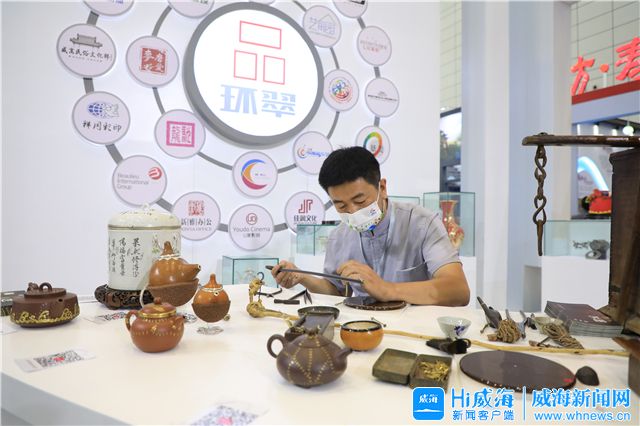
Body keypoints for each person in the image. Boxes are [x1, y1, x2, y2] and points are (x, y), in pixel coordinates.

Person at [271, 147, 470, 306]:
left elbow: (458, 290)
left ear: (382, 188)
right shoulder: (339, 236)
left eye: (360, 201)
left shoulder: (421, 223)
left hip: (413, 331)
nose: (353, 212)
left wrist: (387, 289)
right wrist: (303, 277)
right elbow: (336, 291)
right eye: (341, 205)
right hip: (364, 329)